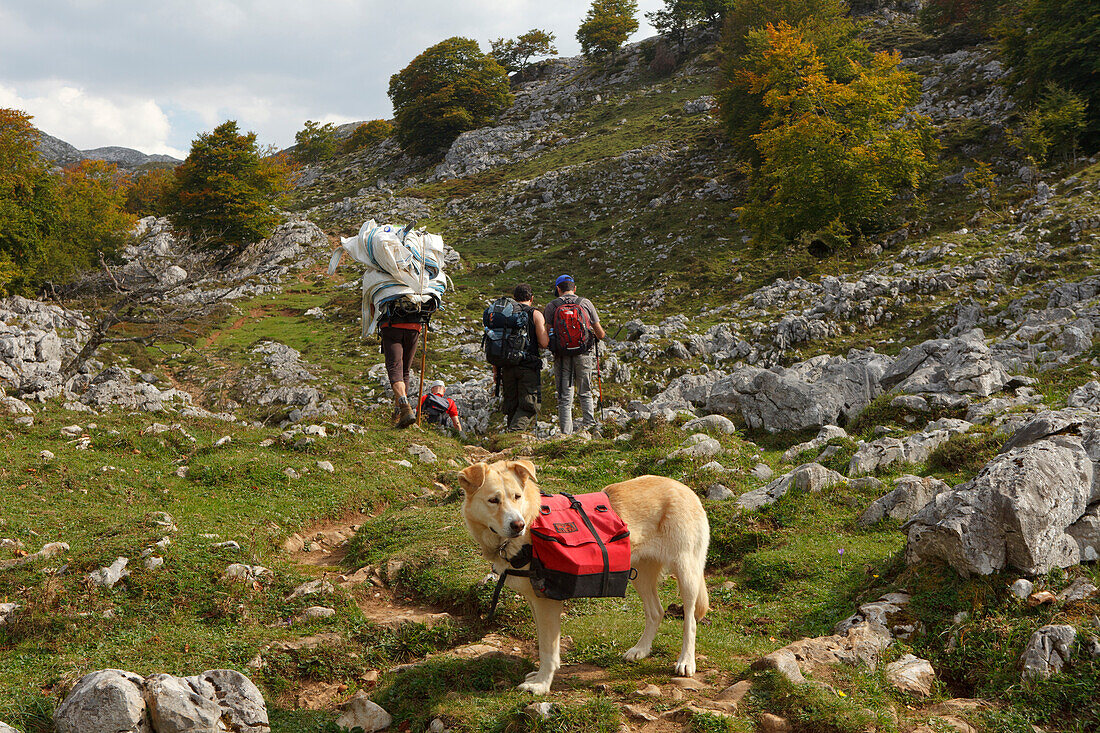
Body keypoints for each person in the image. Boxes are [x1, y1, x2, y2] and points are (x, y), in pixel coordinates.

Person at [544, 275, 605, 434]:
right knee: (585, 391)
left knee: (565, 396)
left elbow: (547, 333)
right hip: (583, 353)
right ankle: (589, 428)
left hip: (562, 355)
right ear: (574, 288)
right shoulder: (585, 303)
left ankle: (566, 433)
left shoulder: (552, 306)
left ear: (558, 289)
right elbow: (601, 334)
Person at [497, 284, 549, 432]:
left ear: (514, 298)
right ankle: (514, 435)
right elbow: (544, 343)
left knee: (511, 406)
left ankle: (508, 441)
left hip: (506, 366)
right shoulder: (535, 314)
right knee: (529, 406)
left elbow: (498, 342)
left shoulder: (505, 314)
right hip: (528, 366)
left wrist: (496, 370)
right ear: (531, 298)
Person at [379, 305, 424, 428]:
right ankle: (398, 415)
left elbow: (373, 305)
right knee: (404, 372)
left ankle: (405, 407)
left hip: (391, 326)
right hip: (414, 328)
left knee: (395, 369)